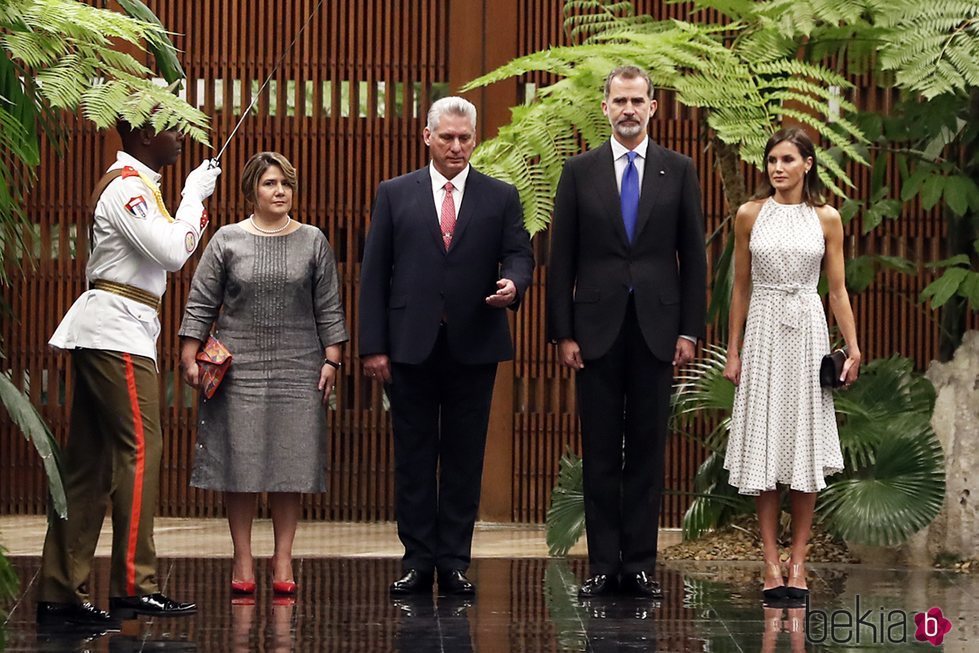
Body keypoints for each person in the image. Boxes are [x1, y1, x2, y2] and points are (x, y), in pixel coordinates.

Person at [38, 120, 220, 628]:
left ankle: (60, 593)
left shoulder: (138, 186)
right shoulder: (127, 187)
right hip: (116, 333)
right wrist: (193, 196)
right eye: (171, 129)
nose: (182, 137)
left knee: (90, 465)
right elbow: (172, 252)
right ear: (143, 136)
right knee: (142, 449)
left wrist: (187, 199)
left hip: (121, 330)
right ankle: (134, 585)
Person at [359, 96, 534, 596]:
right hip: (409, 346)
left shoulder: (500, 196)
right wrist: (374, 346)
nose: (456, 147)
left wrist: (514, 286)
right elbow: (375, 274)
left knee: (464, 458)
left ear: (475, 140)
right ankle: (417, 560)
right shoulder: (394, 194)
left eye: (465, 138)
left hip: (474, 344)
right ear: (427, 137)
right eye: (447, 137)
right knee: (413, 457)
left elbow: (520, 255)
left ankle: (455, 561)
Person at [546, 65, 707, 599]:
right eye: (620, 101)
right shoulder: (579, 171)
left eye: (638, 101)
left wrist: (689, 329)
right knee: (598, 452)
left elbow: (695, 257)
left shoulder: (678, 170)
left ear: (654, 107)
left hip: (658, 331)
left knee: (644, 449)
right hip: (594, 332)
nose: (629, 110)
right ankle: (602, 565)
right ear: (605, 107)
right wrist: (562, 333)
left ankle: (638, 565)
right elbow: (560, 257)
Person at [178, 152, 348, 597]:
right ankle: (242, 556)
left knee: (290, 465)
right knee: (242, 463)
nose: (280, 192)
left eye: (287, 184)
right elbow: (201, 301)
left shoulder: (313, 240)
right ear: (252, 189)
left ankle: (284, 557)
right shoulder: (226, 240)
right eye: (271, 184)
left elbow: (328, 305)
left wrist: (332, 359)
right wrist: (189, 352)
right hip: (239, 368)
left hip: (299, 366)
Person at [722, 127, 861, 603]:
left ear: (807, 164)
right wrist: (733, 349)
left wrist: (854, 346)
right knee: (763, 448)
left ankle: (798, 561)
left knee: (803, 450)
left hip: (808, 331)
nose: (776, 168)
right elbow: (739, 286)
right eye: (771, 160)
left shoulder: (827, 218)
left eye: (786, 160)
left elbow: (837, 289)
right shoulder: (748, 215)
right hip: (762, 330)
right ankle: (768, 561)